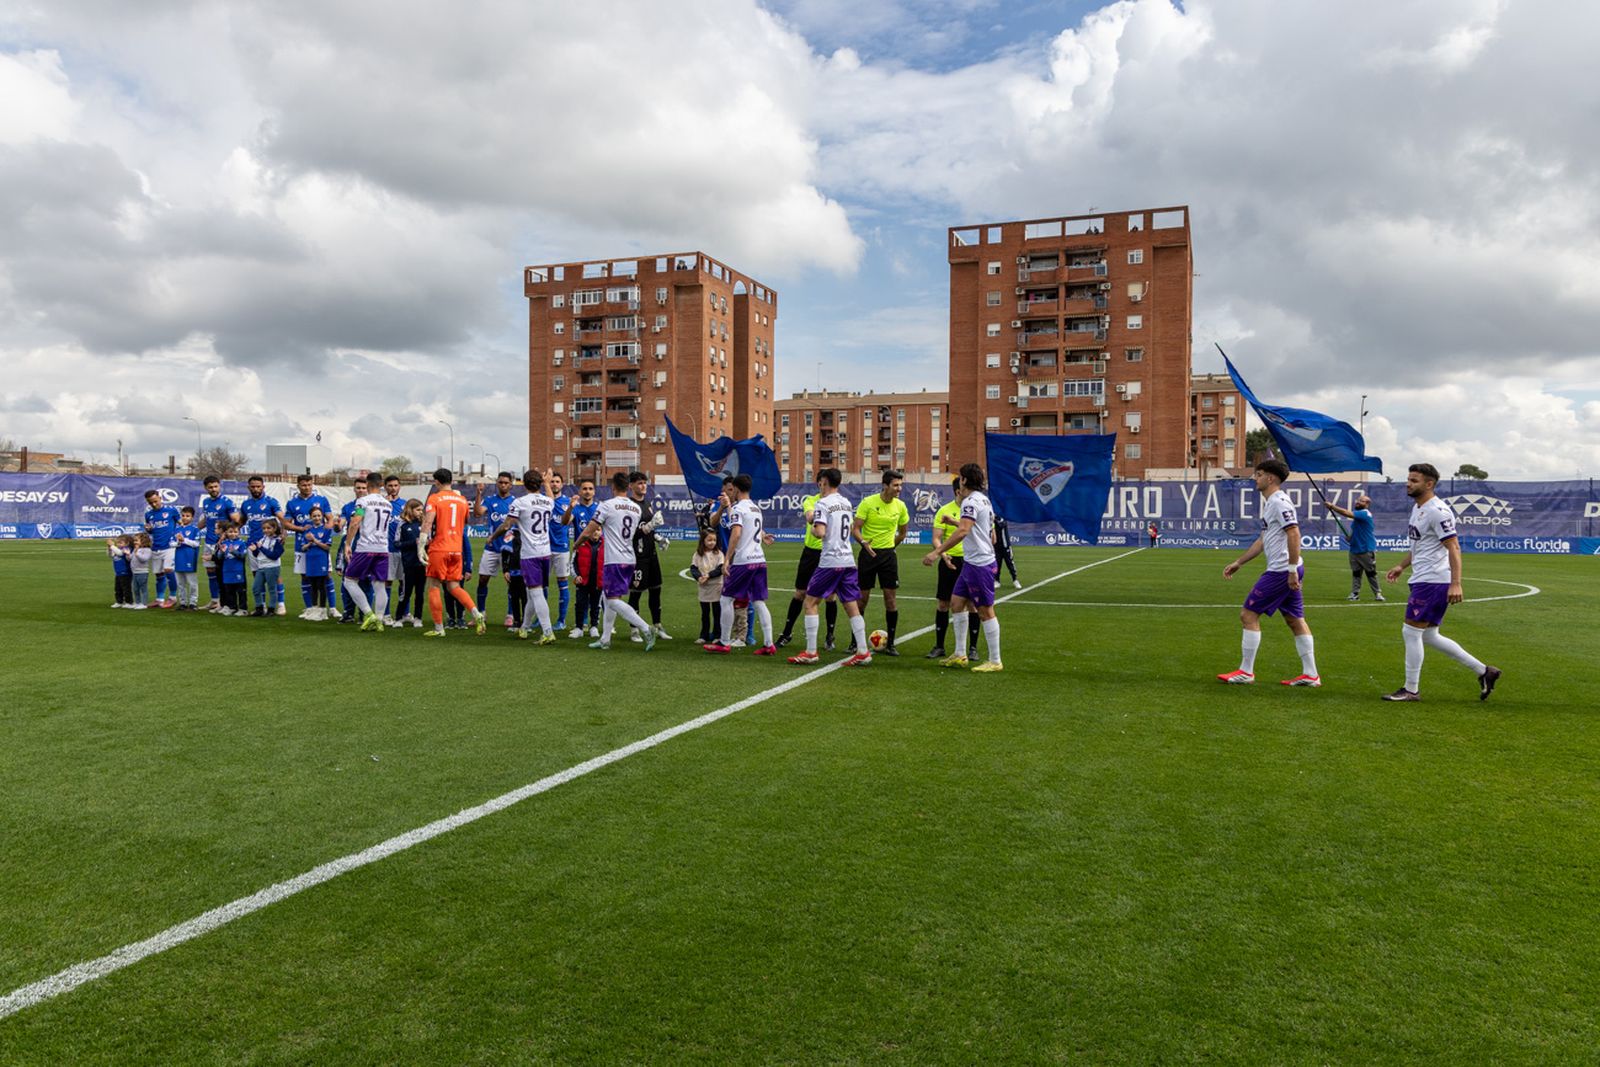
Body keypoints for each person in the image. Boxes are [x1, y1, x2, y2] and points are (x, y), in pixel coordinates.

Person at [1382, 463, 1501, 702]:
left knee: (1410, 632)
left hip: (1433, 581)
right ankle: (1484, 671)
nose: (1408, 483)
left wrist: (1456, 583)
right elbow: (1422, 545)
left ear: (1429, 484)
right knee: (1429, 635)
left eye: (1414, 480)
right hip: (1423, 578)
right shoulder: (1418, 508)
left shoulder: (1438, 511)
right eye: (1408, 479)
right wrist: (1402, 565)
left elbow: (1453, 546)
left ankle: (1411, 690)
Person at [1217, 459, 1320, 687]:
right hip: (1286, 568)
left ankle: (1246, 671)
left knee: (1248, 615)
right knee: (1295, 619)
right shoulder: (1271, 503)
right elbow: (1263, 540)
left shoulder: (1279, 502)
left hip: (1282, 570)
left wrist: (1291, 570)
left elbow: (1294, 533)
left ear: (1270, 478)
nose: (1255, 478)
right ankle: (1311, 674)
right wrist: (1239, 562)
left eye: (1259, 474)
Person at [787, 468, 871, 667]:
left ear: (824, 481)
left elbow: (820, 533)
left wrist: (815, 526)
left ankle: (811, 651)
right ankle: (863, 651)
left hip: (830, 560)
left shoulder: (822, 504)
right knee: (851, 604)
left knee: (810, 602)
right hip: (847, 559)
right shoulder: (846, 502)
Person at [925, 462, 1004, 672]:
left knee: (985, 611)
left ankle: (995, 661)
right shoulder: (983, 500)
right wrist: (954, 522)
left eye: (961, 477)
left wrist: (936, 552)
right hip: (971, 563)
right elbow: (974, 527)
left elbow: (964, 532)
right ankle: (960, 654)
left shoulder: (970, 502)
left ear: (965, 480)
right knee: (956, 603)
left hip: (980, 563)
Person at [575, 471, 656, 651]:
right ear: (628, 487)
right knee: (608, 596)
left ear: (612, 487)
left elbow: (590, 530)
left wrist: (577, 544)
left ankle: (646, 628)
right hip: (629, 557)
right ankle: (605, 639)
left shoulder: (607, 505)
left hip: (614, 560)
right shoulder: (635, 508)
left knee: (611, 601)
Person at [705, 473, 777, 655]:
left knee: (726, 598)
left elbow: (736, 534)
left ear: (736, 489)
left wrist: (727, 559)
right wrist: (763, 535)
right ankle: (769, 644)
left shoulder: (739, 508)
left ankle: (725, 641)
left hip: (744, 561)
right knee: (759, 601)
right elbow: (753, 528)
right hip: (759, 560)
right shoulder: (755, 508)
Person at [419, 468, 488, 637]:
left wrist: (421, 545)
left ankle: (439, 628)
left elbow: (428, 522)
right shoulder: (462, 500)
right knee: (454, 586)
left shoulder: (434, 498)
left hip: (439, 547)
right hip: (456, 549)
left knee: (434, 586)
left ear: (437, 482)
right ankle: (476, 614)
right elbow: (465, 521)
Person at [493, 469, 559, 643]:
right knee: (533, 593)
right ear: (539, 483)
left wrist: (492, 536)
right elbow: (552, 498)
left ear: (524, 484)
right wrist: (547, 482)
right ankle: (524, 627)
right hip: (546, 553)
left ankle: (547, 631)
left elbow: (507, 525)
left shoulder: (519, 502)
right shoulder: (547, 501)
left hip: (530, 554)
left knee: (536, 594)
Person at [852, 469, 910, 654]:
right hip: (867, 555)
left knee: (890, 600)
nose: (899, 489)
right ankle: (855, 642)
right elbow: (856, 529)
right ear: (885, 486)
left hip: (888, 557)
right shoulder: (868, 503)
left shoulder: (900, 506)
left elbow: (903, 533)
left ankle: (891, 644)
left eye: (901, 485)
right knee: (862, 601)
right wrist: (863, 543)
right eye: (895, 485)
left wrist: (891, 547)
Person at [776, 479, 837, 649]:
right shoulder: (811, 500)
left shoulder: (837, 503)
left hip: (829, 552)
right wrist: (816, 518)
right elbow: (810, 516)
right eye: (822, 483)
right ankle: (787, 633)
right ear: (819, 484)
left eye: (827, 483)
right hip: (811, 552)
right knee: (800, 593)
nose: (824, 486)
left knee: (830, 596)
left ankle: (830, 636)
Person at [925, 477, 979, 660]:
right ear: (958, 491)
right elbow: (936, 538)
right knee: (943, 604)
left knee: (972, 604)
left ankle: (972, 648)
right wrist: (942, 554)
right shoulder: (945, 510)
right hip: (949, 561)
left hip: (970, 561)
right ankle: (939, 646)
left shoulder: (974, 508)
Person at [342, 479, 395, 632]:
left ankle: (368, 613)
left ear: (369, 484)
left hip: (366, 547)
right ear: (381, 485)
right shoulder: (388, 504)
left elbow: (355, 522)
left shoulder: (362, 501)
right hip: (383, 548)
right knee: (379, 585)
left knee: (349, 581)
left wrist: (347, 544)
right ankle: (379, 620)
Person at [626, 471, 670, 642]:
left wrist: (658, 538)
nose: (642, 486)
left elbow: (649, 529)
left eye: (644, 482)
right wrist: (647, 527)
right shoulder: (630, 506)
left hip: (651, 554)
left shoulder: (647, 503)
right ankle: (634, 629)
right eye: (638, 483)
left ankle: (657, 625)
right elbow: (628, 533)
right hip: (638, 556)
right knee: (636, 593)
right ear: (631, 486)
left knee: (656, 590)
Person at [280, 475, 332, 617]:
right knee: (305, 576)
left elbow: (330, 519)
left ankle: (330, 608)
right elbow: (286, 523)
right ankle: (310, 608)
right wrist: (301, 529)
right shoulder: (292, 503)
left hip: (321, 547)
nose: (307, 487)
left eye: (309, 484)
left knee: (326, 576)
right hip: (302, 545)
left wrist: (326, 531)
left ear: (312, 484)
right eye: (303, 485)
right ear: (298, 486)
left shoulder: (321, 500)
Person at [236, 476, 285, 614]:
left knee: (274, 575)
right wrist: (230, 533)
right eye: (253, 486)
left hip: (269, 543)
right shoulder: (246, 504)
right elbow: (241, 522)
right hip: (253, 544)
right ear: (249, 487)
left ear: (263, 487)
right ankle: (261, 605)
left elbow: (282, 518)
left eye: (258, 486)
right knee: (257, 575)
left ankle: (280, 604)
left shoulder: (271, 502)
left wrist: (284, 531)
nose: (256, 489)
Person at [474, 472, 516, 626]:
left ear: (511, 484)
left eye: (506, 482)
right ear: (497, 484)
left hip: (510, 549)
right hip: (491, 548)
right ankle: (481, 614)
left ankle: (511, 614)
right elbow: (478, 513)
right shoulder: (490, 500)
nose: (503, 485)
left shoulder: (515, 502)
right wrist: (478, 494)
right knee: (483, 579)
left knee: (511, 582)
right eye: (500, 482)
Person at [1325, 492, 1384, 601]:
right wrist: (1350, 537)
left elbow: (1346, 513)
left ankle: (1378, 593)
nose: (1357, 502)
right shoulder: (1358, 516)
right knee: (1356, 573)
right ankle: (1355, 594)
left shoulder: (1365, 513)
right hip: (1354, 549)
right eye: (1358, 500)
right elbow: (1355, 529)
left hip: (1366, 549)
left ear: (1367, 504)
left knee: (1371, 573)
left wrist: (1332, 507)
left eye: (1361, 501)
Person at [564, 477, 602, 637]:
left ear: (594, 491)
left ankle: (594, 625)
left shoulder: (600, 508)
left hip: (599, 552)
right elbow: (564, 522)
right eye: (584, 488)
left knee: (598, 593)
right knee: (581, 594)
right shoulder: (576, 509)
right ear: (580, 492)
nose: (587, 491)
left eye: (590, 488)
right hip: (581, 554)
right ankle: (579, 626)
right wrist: (569, 509)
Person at [196, 475, 234, 610]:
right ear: (206, 488)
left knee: (222, 572)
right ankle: (214, 600)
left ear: (219, 486)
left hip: (221, 543)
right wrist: (193, 529)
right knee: (210, 571)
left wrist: (225, 535)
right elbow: (206, 520)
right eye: (210, 487)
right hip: (208, 541)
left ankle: (226, 603)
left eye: (215, 486)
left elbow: (235, 520)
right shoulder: (206, 502)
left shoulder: (227, 502)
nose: (213, 489)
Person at [142, 489, 182, 609]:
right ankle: (159, 599)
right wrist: (148, 529)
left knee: (168, 570)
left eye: (155, 501)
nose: (154, 504)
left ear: (160, 498)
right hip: (156, 547)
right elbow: (151, 530)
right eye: (150, 503)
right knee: (159, 574)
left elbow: (181, 524)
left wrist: (180, 536)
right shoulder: (148, 514)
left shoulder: (171, 510)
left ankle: (173, 597)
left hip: (169, 546)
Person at [545, 471, 575, 632]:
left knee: (562, 583)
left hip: (561, 548)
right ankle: (540, 617)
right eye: (552, 482)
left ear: (562, 484)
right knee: (541, 585)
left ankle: (561, 620)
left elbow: (567, 521)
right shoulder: (543, 501)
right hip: (543, 547)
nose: (554, 484)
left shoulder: (567, 502)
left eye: (557, 481)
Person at [394, 499, 426, 628]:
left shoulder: (424, 524)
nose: (420, 512)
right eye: (417, 509)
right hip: (408, 564)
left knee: (420, 593)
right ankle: (398, 618)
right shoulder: (402, 525)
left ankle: (418, 618)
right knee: (405, 592)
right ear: (410, 510)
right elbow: (396, 544)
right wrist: (414, 542)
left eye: (421, 510)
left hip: (422, 564)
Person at [690, 529, 725, 644]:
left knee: (717, 612)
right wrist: (699, 577)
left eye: (714, 540)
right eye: (709, 540)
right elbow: (693, 568)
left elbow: (720, 569)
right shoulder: (698, 554)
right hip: (703, 586)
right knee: (705, 613)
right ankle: (704, 635)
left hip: (716, 585)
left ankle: (717, 634)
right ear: (703, 541)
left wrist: (708, 575)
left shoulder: (719, 554)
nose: (712, 542)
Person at [382, 474, 406, 624]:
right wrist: (385, 503)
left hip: (403, 550)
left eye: (396, 485)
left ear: (400, 487)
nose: (393, 488)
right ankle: (386, 614)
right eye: (390, 486)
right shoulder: (381, 504)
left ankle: (405, 613)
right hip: (387, 549)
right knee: (387, 582)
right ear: (385, 487)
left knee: (405, 582)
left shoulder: (405, 505)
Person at [247, 519, 285, 617]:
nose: (266, 530)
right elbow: (258, 555)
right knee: (256, 588)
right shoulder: (263, 539)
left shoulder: (278, 540)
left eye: (268, 528)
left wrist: (261, 548)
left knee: (272, 588)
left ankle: (271, 609)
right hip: (261, 566)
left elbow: (274, 556)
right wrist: (255, 550)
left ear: (274, 528)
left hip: (272, 567)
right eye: (264, 528)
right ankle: (259, 608)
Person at [301, 510, 333, 619]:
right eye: (314, 516)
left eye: (319, 515)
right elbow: (303, 547)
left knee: (321, 586)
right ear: (310, 517)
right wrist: (309, 543)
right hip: (310, 561)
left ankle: (323, 610)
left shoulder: (326, 530)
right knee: (313, 586)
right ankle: (314, 609)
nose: (317, 518)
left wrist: (314, 540)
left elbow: (327, 547)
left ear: (322, 516)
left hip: (321, 560)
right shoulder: (308, 530)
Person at [172, 507, 202, 610]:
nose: (185, 518)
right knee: (180, 583)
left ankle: (193, 602)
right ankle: (183, 603)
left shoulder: (195, 529)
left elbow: (196, 543)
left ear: (192, 517)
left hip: (189, 558)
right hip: (178, 558)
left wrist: (184, 540)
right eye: (183, 515)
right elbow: (171, 543)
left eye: (187, 516)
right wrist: (178, 542)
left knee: (192, 582)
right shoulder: (176, 529)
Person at [216, 522, 249, 615]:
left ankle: (243, 609)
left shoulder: (241, 543)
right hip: (227, 570)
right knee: (229, 590)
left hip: (238, 570)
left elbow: (243, 556)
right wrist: (222, 552)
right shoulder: (224, 543)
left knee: (240, 590)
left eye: (235, 532)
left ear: (239, 532)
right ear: (226, 532)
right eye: (230, 532)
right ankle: (232, 607)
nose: (233, 534)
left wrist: (234, 552)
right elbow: (219, 557)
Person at [993, 512, 1020, 589]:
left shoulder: (1002, 519)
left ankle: (1015, 580)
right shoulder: (990, 521)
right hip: (996, 547)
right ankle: (997, 580)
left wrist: (993, 519)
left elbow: (1001, 525)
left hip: (1006, 546)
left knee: (1010, 563)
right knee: (997, 564)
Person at [108, 534, 135, 608]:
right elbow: (110, 555)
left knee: (126, 588)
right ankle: (119, 601)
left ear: (127, 543)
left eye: (121, 543)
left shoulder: (127, 549)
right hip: (118, 572)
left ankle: (129, 602)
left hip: (126, 572)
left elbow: (120, 553)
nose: (118, 544)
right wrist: (109, 548)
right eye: (117, 543)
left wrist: (112, 546)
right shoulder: (117, 549)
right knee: (118, 588)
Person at [130, 533, 153, 609]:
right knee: (135, 589)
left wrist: (137, 553)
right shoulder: (136, 549)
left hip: (142, 572)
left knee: (143, 588)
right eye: (134, 541)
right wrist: (128, 555)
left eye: (136, 540)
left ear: (143, 541)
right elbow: (130, 558)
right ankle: (137, 602)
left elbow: (144, 559)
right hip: (134, 572)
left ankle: (144, 603)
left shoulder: (147, 550)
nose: (135, 542)